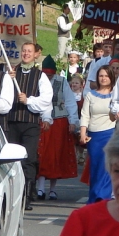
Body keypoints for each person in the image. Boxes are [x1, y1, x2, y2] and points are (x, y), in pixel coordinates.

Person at [6, 42, 53, 210]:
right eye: (23, 50)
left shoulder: (40, 76)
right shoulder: (11, 73)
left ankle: (27, 196)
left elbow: (46, 100)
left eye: (29, 51)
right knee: (11, 161)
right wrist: (8, 79)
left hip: (30, 123)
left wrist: (29, 101)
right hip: (11, 122)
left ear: (35, 55)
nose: (26, 54)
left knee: (29, 160)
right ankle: (12, 195)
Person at [37, 56, 79, 200]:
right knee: (42, 154)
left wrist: (73, 120)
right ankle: (41, 188)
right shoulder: (38, 81)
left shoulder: (61, 82)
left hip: (59, 121)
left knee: (55, 155)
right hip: (42, 120)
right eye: (46, 74)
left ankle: (53, 189)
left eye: (50, 75)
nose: (48, 77)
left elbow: (70, 102)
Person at [79, 66, 116, 203]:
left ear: (111, 77)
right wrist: (83, 133)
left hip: (110, 134)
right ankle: (94, 198)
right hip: (93, 137)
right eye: (101, 75)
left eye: (106, 75)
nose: (103, 78)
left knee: (106, 167)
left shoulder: (116, 95)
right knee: (95, 167)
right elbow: (85, 116)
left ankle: (103, 197)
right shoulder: (90, 95)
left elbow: (118, 113)